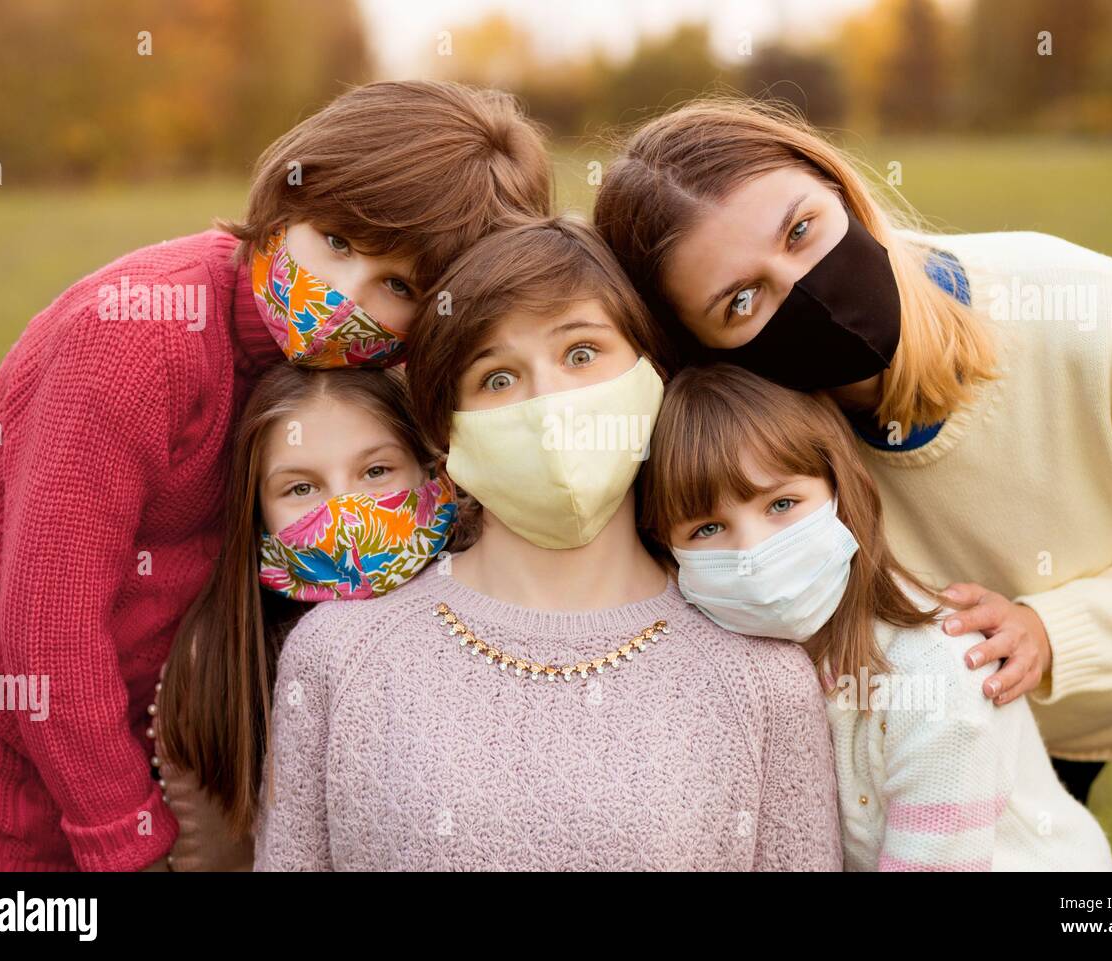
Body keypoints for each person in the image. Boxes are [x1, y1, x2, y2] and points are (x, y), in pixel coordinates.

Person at [594, 97, 1112, 869]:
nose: (803, 288)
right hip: (986, 710)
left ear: (838, 183)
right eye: (740, 301)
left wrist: (1049, 630)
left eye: (802, 230)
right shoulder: (771, 457)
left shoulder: (1087, 312)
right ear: (705, 351)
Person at [0, 80, 550, 871]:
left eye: (397, 287)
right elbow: (49, 622)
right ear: (289, 196)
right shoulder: (137, 340)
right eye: (335, 240)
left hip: (118, 753)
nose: (342, 295)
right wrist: (126, 838)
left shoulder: (347, 384)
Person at [252, 217, 843, 871]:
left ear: (655, 374)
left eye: (582, 354)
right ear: (448, 435)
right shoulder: (338, 654)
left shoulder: (763, 678)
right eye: (497, 379)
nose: (548, 402)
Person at [640, 363, 1112, 870]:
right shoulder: (717, 667)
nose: (755, 552)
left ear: (843, 493)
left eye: (782, 503)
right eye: (708, 529)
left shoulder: (936, 672)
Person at [151, 364, 457, 871]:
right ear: (260, 518)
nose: (346, 510)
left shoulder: (495, 604)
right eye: (300, 489)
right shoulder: (221, 661)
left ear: (430, 472)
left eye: (376, 472)